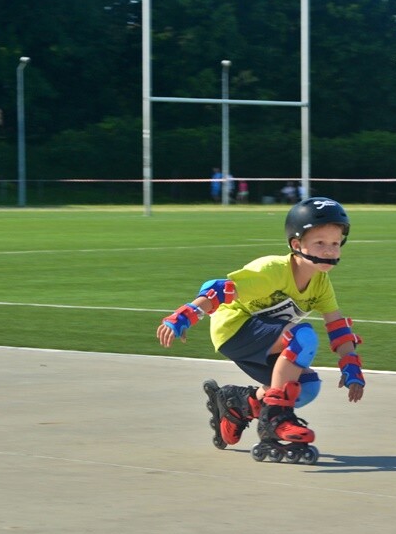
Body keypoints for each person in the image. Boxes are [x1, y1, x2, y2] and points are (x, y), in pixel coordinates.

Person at [156, 197, 365, 461]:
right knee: (302, 336)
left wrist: (351, 365)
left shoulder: (321, 284)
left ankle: (237, 404)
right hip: (233, 329)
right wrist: (185, 315)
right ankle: (275, 419)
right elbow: (221, 289)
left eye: (335, 243)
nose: (329, 250)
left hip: (266, 340)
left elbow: (337, 327)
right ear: (296, 245)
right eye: (320, 243)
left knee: (307, 387)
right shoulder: (272, 270)